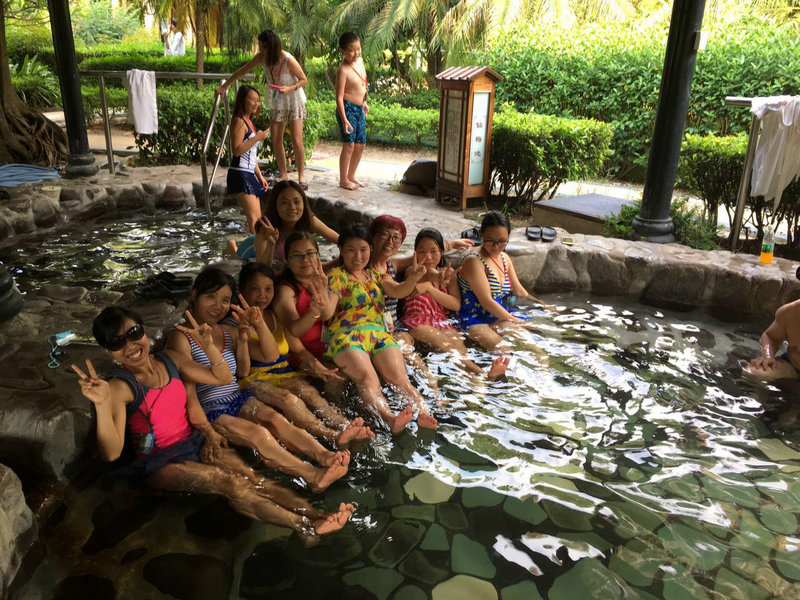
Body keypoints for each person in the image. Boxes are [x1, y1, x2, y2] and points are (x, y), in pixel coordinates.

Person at [72, 306, 353, 538]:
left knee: (252, 476)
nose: (130, 346)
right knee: (229, 482)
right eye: (116, 343)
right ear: (108, 351)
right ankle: (303, 527)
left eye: (133, 334)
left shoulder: (170, 360)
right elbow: (111, 453)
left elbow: (222, 378)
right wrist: (102, 403)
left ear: (143, 330)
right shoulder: (120, 387)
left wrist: (208, 348)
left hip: (194, 442)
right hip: (159, 462)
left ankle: (315, 514)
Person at [165, 267, 350, 493]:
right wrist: (207, 431)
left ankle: (325, 455)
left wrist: (258, 325)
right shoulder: (180, 338)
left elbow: (269, 355)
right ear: (194, 295)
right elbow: (189, 395)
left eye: (225, 300)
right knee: (259, 433)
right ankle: (312, 475)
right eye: (210, 297)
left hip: (236, 398)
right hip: (210, 409)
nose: (218, 306)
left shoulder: (226, 331)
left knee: (276, 418)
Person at [237, 261, 374, 445]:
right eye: (255, 289)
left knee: (310, 392)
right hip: (254, 379)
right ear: (242, 291)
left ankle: (345, 426)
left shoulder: (275, 317)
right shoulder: (238, 323)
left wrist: (318, 367)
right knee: (289, 400)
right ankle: (330, 434)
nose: (263, 295)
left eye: (268, 289)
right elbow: (264, 357)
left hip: (283, 373)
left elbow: (298, 348)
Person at [323, 224, 438, 433]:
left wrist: (412, 278)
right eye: (351, 250)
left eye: (363, 250)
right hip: (347, 336)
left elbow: (398, 290)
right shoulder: (337, 276)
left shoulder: (376, 275)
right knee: (368, 379)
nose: (358, 256)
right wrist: (319, 306)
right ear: (341, 250)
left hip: (379, 334)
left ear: (370, 249)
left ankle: (423, 412)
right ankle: (389, 418)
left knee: (400, 379)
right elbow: (328, 312)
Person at [367, 215, 475, 389]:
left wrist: (451, 246)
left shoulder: (392, 265)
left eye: (396, 237)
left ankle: (470, 380)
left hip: (408, 325)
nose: (390, 241)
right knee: (410, 346)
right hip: (402, 326)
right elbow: (423, 270)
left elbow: (430, 263)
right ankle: (449, 380)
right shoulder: (404, 268)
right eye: (384, 235)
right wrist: (433, 279)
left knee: (457, 346)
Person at [402, 228, 509, 380]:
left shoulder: (449, 273)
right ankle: (483, 374)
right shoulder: (412, 272)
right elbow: (428, 274)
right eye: (422, 251)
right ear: (415, 253)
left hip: (442, 321)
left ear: (441, 252)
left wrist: (430, 289)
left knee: (459, 347)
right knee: (446, 345)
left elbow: (456, 304)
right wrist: (436, 278)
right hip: (417, 322)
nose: (428, 257)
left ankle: (476, 382)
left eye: (434, 251)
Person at [217, 30, 309, 188]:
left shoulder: (287, 59)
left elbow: (303, 79)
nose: (260, 50)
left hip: (293, 98)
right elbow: (242, 71)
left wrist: (289, 88)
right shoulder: (261, 58)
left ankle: (302, 177)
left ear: (271, 46)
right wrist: (225, 86)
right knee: (276, 138)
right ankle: (284, 174)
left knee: (296, 139)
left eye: (262, 47)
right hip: (278, 99)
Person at [456, 211, 552, 351]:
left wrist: (541, 303)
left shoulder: (504, 258)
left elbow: (519, 290)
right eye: (490, 241)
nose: (496, 247)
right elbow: (487, 301)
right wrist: (516, 321)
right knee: (504, 350)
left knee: (537, 343)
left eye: (501, 241)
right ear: (481, 235)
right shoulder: (474, 261)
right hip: (473, 318)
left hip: (499, 313)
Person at [226, 85, 270, 235]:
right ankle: (255, 247)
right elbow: (237, 150)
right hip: (240, 173)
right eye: (252, 99)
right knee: (254, 219)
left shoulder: (249, 121)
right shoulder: (239, 121)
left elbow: (251, 153)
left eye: (258, 100)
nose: (256, 103)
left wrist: (260, 176)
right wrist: (257, 138)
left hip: (249, 173)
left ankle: (249, 243)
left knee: (257, 218)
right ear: (242, 100)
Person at [335, 32, 368, 191]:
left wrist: (364, 102)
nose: (356, 53)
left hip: (359, 109)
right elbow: (339, 97)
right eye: (351, 50)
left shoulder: (359, 62)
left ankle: (351, 175)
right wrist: (344, 119)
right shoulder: (343, 70)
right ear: (342, 51)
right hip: (347, 109)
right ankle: (343, 179)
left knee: (360, 145)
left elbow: (363, 83)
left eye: (358, 49)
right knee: (349, 145)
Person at [745, 298, 800, 380]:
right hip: (793, 364)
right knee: (753, 372)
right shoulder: (790, 312)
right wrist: (768, 356)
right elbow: (770, 336)